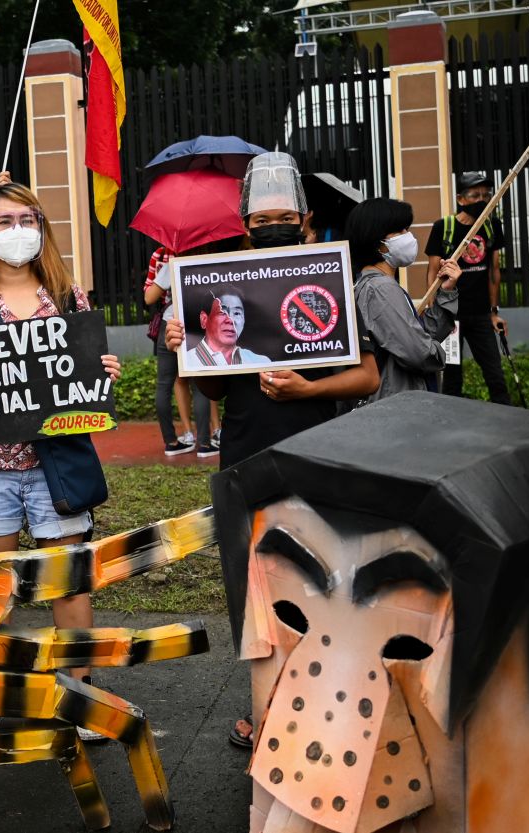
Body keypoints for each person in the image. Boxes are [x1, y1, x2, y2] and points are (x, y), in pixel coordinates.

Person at [165, 152, 377, 749]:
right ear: (245, 224)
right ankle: (268, 711)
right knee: (253, 588)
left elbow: (367, 375)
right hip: (245, 460)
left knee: (321, 582)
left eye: (285, 215)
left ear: (305, 219)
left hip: (317, 458)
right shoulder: (220, 283)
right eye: (263, 219)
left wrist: (311, 387)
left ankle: (323, 704)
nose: (273, 226)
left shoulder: (327, 281)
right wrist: (191, 347)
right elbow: (210, 387)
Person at [0, 182, 122, 739]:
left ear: (42, 226)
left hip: (55, 464)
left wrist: (103, 372)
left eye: (27, 218)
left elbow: (89, 373)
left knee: (68, 584)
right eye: (4, 221)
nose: (17, 230)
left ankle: (79, 695)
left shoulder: (67, 296)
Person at [345, 197, 460, 403]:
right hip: (396, 404)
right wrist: (437, 354)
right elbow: (419, 353)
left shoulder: (376, 285)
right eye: (400, 231)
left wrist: (446, 291)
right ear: (379, 243)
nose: (409, 237)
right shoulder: (380, 290)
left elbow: (421, 336)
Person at [424, 171, 511, 405]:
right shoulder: (444, 227)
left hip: (481, 314)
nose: (482, 200)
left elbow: (494, 271)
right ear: (461, 199)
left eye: (486, 195)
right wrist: (435, 312)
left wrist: (494, 312)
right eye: (475, 195)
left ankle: (507, 422)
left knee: (495, 374)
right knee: (452, 377)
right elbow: (432, 272)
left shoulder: (492, 225)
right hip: (452, 317)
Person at [145, 245, 220, 457]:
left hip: (170, 326)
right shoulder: (211, 264)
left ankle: (171, 441)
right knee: (200, 384)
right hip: (198, 327)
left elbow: (149, 298)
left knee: (164, 384)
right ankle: (205, 445)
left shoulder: (173, 264)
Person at [182, 287, 271, 369]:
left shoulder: (260, 362)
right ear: (204, 319)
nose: (231, 320)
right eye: (222, 312)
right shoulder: (186, 362)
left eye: (236, 313)